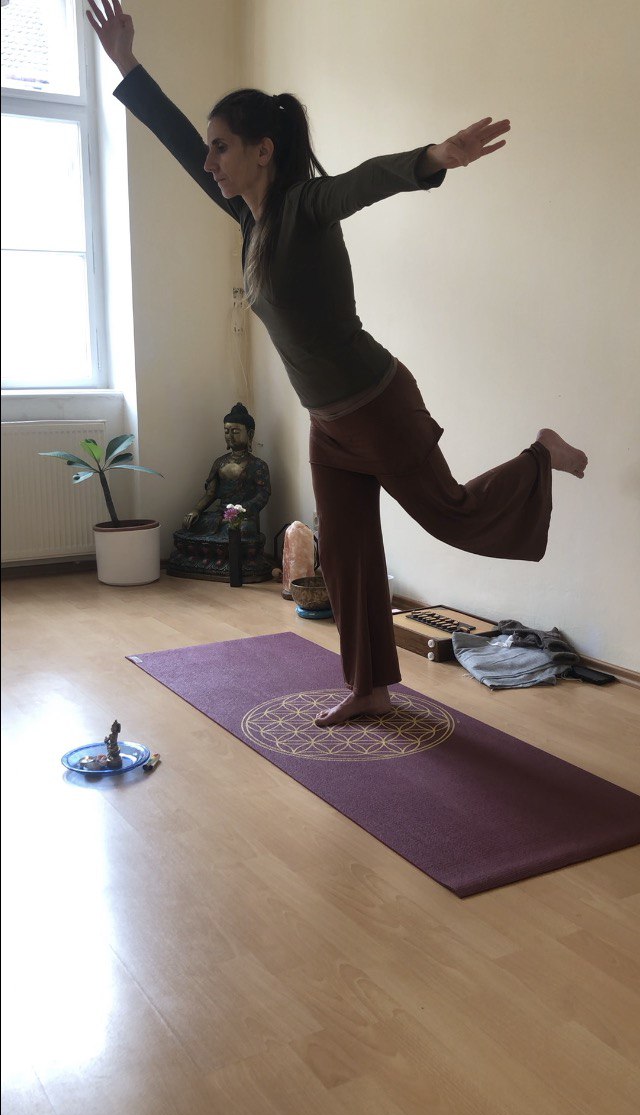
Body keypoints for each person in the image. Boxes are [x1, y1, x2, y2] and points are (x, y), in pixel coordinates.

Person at [87, 0, 588, 727]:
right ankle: (369, 687)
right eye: (211, 148)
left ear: (263, 150)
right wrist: (128, 65)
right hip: (328, 423)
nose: (209, 161)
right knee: (348, 556)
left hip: (377, 404)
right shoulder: (249, 218)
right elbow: (174, 137)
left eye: (222, 147)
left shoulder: (306, 206)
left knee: (453, 516)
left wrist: (433, 158)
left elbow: (365, 180)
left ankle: (541, 454)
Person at [181, 402, 271, 540]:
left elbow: (262, 496)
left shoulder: (258, 465)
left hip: (244, 517)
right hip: (220, 516)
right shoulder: (220, 462)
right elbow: (210, 494)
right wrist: (196, 510)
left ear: (250, 434)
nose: (230, 436)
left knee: (244, 530)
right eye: (226, 431)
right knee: (191, 524)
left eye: (235, 432)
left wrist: (239, 510)